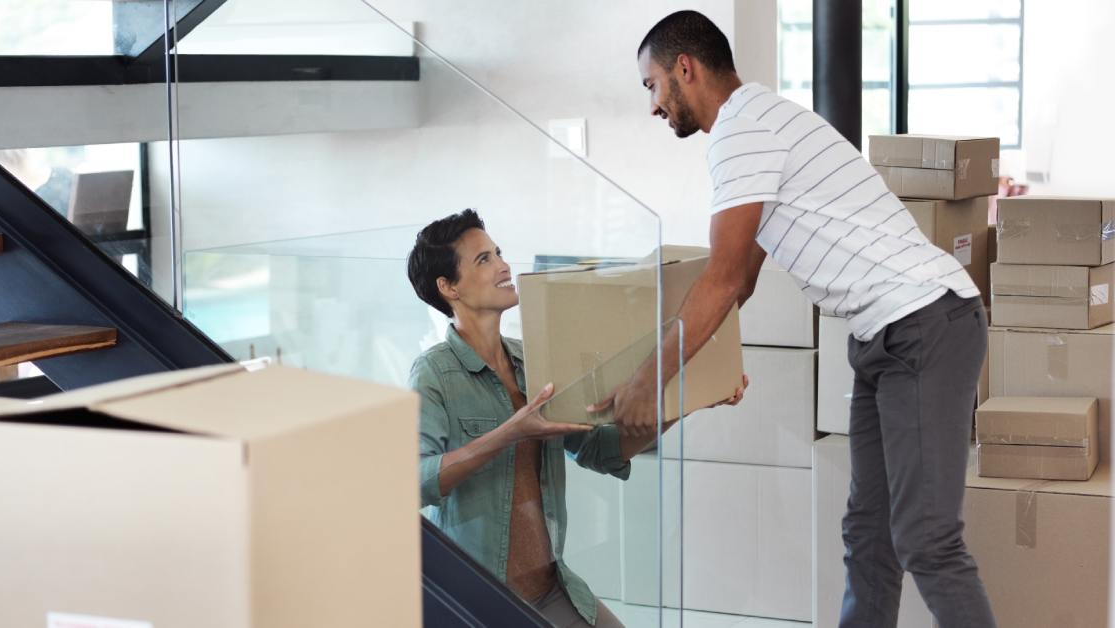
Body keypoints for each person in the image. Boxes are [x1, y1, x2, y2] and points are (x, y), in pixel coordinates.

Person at [597, 10, 997, 628]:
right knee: (869, 533)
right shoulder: (761, 120)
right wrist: (710, 371)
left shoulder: (742, 131)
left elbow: (723, 278)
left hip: (923, 324)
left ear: (685, 68)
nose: (654, 106)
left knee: (926, 538)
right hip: (885, 335)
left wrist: (646, 385)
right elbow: (745, 279)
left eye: (651, 86)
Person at [407, 209, 743, 628]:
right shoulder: (434, 373)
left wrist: (692, 398)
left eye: (498, 253)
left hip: (552, 589)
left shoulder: (531, 360)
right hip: (484, 601)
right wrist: (511, 432)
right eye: (484, 260)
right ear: (448, 287)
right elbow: (416, 481)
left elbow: (600, 451)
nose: (503, 266)